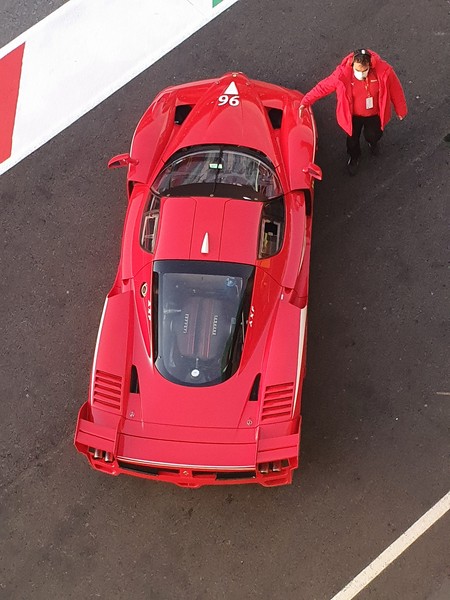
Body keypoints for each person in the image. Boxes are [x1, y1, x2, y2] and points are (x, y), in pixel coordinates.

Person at [299, 49, 408, 175]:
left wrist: (401, 109)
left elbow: (395, 89)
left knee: (374, 134)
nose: (361, 74)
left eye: (364, 70)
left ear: (370, 65)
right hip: (352, 116)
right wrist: (305, 102)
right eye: (357, 70)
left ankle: (372, 142)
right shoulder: (341, 75)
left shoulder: (384, 72)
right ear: (352, 64)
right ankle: (354, 157)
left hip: (374, 114)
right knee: (352, 141)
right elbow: (323, 87)